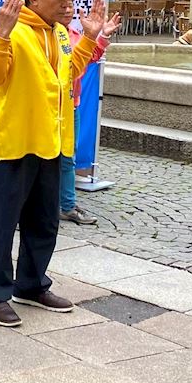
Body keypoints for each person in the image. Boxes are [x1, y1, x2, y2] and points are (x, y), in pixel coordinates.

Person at [0, 0, 108, 327]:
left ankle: (31, 284)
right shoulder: (9, 32)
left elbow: (68, 73)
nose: (68, 3)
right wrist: (2, 35)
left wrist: (90, 38)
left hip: (50, 142)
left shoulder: (60, 34)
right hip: (13, 142)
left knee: (44, 221)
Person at [60, 11, 121, 226]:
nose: (67, 8)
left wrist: (102, 36)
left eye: (69, 3)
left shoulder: (74, 35)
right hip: (47, 107)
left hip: (71, 106)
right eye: (61, 1)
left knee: (68, 158)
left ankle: (67, 206)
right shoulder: (40, 35)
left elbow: (89, 56)